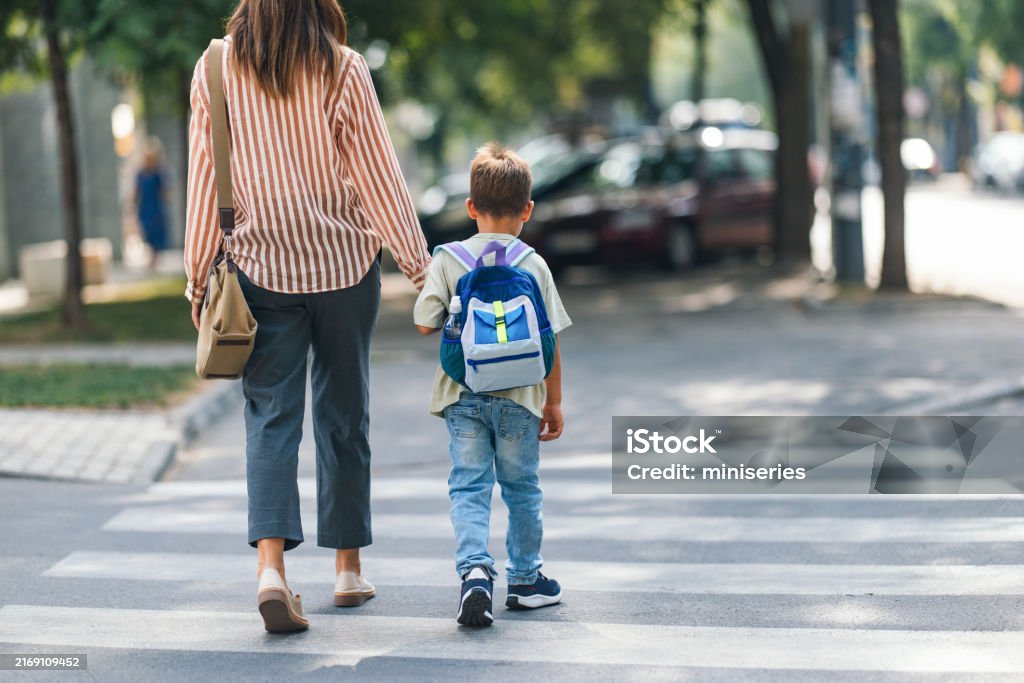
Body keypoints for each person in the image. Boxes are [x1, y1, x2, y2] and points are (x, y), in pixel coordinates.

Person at [183, 0, 430, 633]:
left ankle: (272, 573)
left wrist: (197, 276)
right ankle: (347, 571)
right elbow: (378, 175)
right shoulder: (342, 67)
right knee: (345, 411)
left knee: (270, 417)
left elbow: (205, 181)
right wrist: (421, 270)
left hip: (258, 267)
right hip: (344, 266)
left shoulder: (213, 67)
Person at [414, 143, 571, 627]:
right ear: (527, 210)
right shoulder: (534, 264)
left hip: (462, 396)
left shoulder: (448, 258)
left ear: (469, 207)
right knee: (522, 487)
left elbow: (424, 324)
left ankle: (475, 572)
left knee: (469, 485)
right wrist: (555, 401)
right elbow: (551, 340)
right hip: (521, 399)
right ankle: (525, 580)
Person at [135, 138, 169, 270]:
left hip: (156, 207)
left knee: (157, 233)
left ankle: (154, 259)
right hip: (145, 207)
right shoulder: (140, 173)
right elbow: (136, 190)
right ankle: (151, 257)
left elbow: (164, 190)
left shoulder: (158, 173)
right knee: (147, 232)